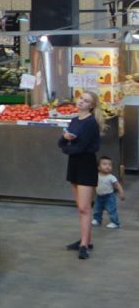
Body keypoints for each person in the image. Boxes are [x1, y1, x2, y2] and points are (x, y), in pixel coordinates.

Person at [60, 90, 104, 259]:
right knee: (80, 207)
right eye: (80, 99)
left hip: (86, 164)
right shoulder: (74, 120)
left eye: (86, 101)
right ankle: (86, 240)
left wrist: (66, 146)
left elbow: (80, 147)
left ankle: (84, 245)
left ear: (91, 106)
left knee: (84, 208)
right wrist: (65, 141)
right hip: (74, 164)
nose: (81, 102)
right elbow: (62, 141)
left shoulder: (91, 123)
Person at [93, 155, 125, 230]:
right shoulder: (96, 176)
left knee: (111, 209)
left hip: (109, 196)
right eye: (104, 164)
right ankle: (97, 220)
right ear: (98, 167)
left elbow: (118, 185)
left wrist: (121, 193)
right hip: (99, 196)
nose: (107, 166)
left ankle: (115, 223)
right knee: (97, 209)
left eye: (110, 165)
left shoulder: (111, 177)